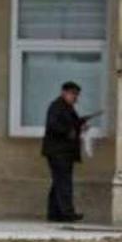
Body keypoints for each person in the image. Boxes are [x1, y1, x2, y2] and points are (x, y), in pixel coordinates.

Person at [41, 81, 99, 222]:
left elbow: (72, 124)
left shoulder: (68, 108)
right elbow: (53, 125)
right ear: (64, 92)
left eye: (76, 95)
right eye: (73, 94)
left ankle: (54, 213)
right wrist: (69, 131)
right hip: (58, 151)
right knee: (64, 183)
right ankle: (67, 213)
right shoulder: (56, 107)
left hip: (64, 151)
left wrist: (81, 123)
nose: (75, 98)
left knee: (58, 183)